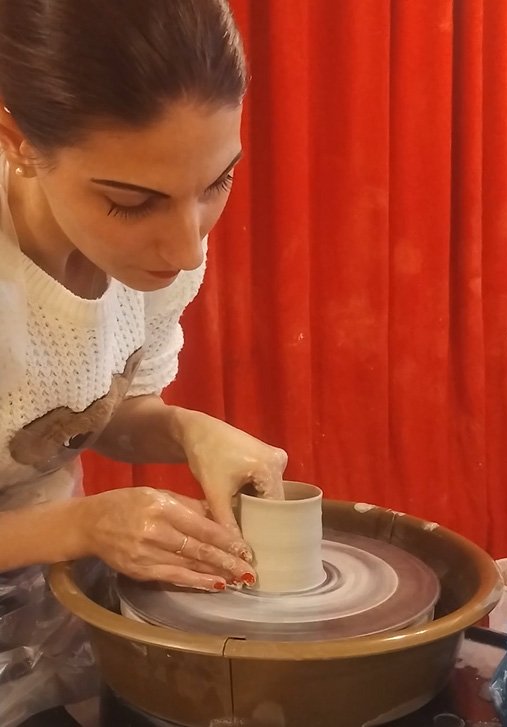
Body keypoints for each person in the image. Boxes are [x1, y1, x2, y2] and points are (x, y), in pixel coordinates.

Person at [0, 1, 287, 723]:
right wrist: (85, 527)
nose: (188, 247)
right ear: (18, 140)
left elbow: (86, 414)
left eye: (216, 183)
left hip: (40, 597)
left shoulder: (169, 246)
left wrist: (188, 430)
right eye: (132, 203)